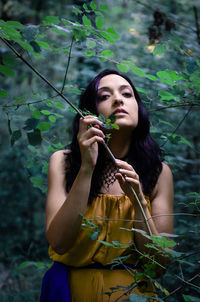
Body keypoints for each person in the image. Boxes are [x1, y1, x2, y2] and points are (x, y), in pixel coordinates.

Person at [39, 69, 174, 302]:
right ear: (90, 114)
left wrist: (139, 201)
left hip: (133, 295)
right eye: (104, 96)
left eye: (127, 94)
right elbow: (59, 243)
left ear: (138, 108)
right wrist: (87, 168)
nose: (118, 99)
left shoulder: (159, 172)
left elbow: (158, 265)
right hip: (69, 292)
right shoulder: (63, 162)